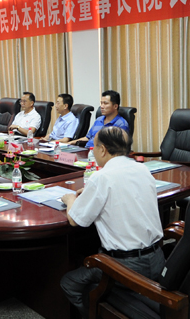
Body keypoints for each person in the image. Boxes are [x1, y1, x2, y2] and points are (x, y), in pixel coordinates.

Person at [60, 127, 164, 319]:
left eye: (94, 147)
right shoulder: (142, 169)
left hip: (125, 266)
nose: (92, 151)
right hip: (158, 259)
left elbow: (75, 220)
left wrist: (70, 200)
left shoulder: (101, 177)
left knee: (69, 282)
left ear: (102, 150)